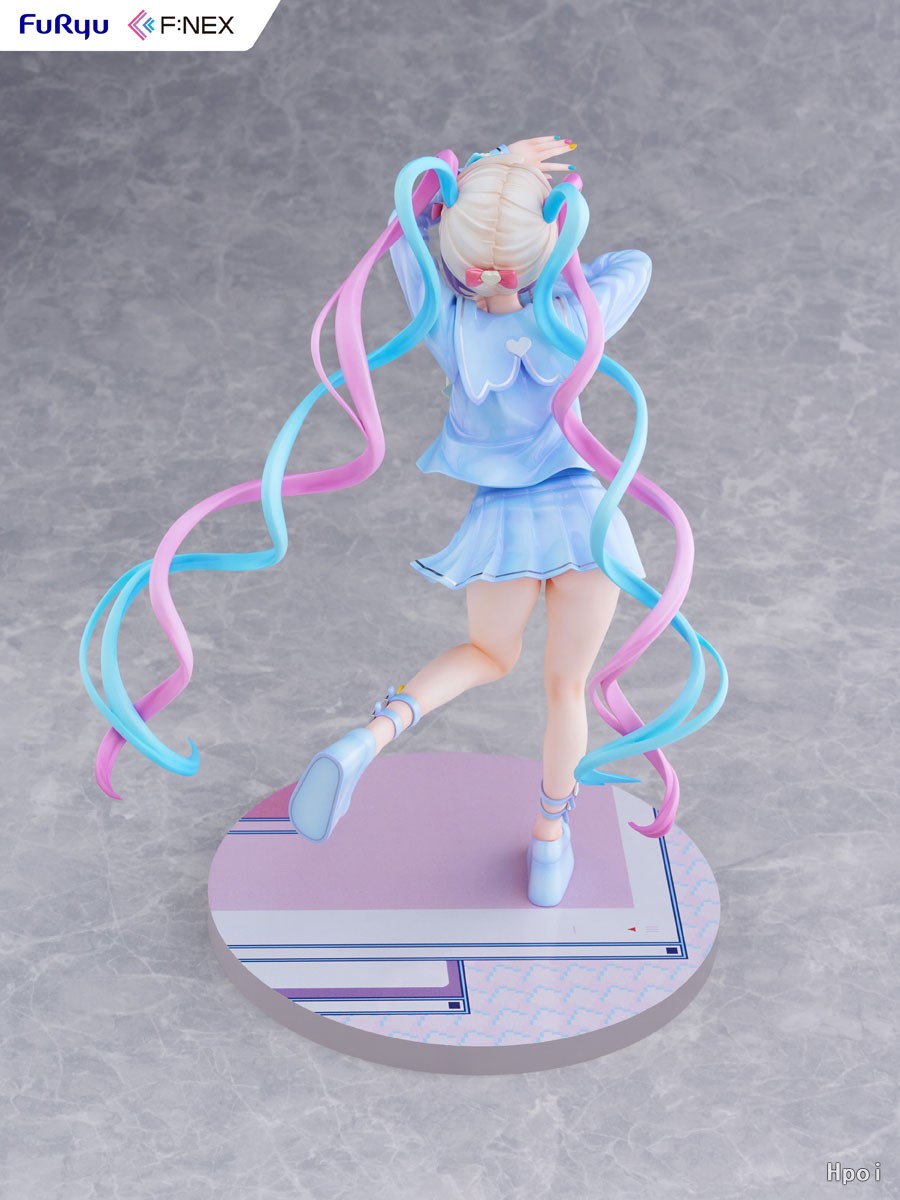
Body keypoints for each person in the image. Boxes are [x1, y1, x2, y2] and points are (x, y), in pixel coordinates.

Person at [81, 136, 727, 908]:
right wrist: (548, 224)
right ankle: (550, 842)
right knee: (566, 688)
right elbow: (634, 265)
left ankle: (372, 736)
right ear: (544, 245)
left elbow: (408, 232)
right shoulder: (570, 323)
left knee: (486, 652)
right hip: (585, 521)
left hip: (501, 527)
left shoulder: (447, 326)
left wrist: (479, 172)